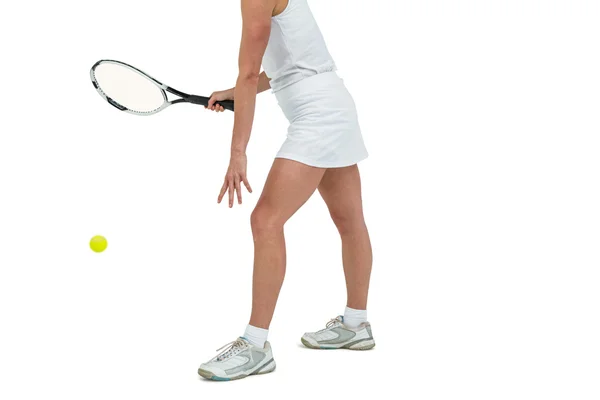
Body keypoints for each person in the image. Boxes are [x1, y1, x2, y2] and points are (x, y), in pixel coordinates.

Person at [197, 0, 374, 381]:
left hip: (318, 115)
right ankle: (356, 324)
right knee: (348, 220)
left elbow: (249, 74)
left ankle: (255, 346)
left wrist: (237, 153)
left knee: (265, 220)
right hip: (333, 103)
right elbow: (286, 66)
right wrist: (235, 91)